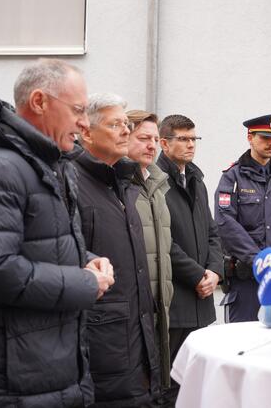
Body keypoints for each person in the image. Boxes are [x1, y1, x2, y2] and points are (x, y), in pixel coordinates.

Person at [0, 59, 114, 407]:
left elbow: (43, 246)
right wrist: (84, 283)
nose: (84, 123)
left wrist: (89, 261)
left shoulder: (48, 165)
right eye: (78, 110)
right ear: (39, 102)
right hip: (8, 379)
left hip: (39, 366)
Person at [75, 94, 158, 407]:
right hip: (101, 347)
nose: (126, 131)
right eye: (115, 124)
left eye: (127, 124)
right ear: (87, 133)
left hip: (136, 343)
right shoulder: (71, 182)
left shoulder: (122, 184)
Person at [215, 114, 271, 323]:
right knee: (240, 340)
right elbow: (225, 221)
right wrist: (258, 260)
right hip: (246, 277)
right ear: (250, 138)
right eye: (264, 137)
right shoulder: (233, 176)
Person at [156, 114, 224, 390]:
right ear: (164, 143)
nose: (191, 145)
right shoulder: (155, 182)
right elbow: (162, 241)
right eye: (183, 139)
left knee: (196, 384)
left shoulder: (197, 181)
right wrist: (198, 275)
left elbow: (212, 232)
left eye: (193, 139)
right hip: (177, 300)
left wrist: (216, 271)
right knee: (171, 383)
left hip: (202, 300)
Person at [125, 110, 174, 401]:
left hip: (159, 304)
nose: (152, 145)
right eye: (143, 138)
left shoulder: (156, 184)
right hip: (130, 309)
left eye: (155, 139)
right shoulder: (120, 186)